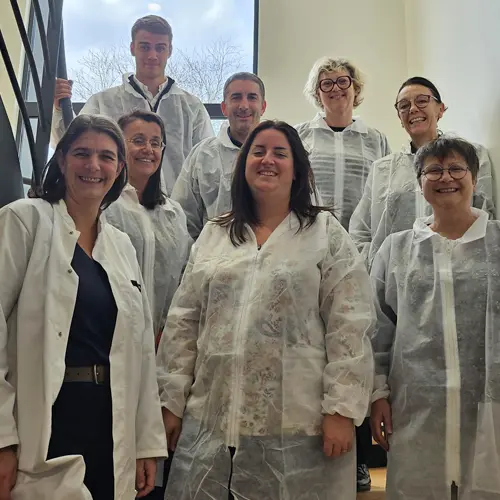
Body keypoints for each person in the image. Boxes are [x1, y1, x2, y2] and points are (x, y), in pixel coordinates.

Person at [157, 120, 376, 500]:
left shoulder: (324, 232)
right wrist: (171, 401)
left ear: (298, 169)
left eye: (280, 153)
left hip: (297, 427)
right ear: (243, 166)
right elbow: (184, 321)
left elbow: (350, 323)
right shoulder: (215, 233)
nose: (267, 160)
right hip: (211, 420)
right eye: (258, 152)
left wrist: (341, 409)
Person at [0, 114, 167, 499]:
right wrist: (3, 439)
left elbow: (141, 350)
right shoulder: (24, 222)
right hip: (47, 417)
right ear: (62, 160)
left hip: (110, 417)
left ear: (119, 169)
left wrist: (145, 442)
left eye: (106, 157)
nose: (93, 166)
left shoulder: (121, 246)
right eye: (81, 154)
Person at [370, 136, 500, 500]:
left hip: (489, 406)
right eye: (434, 170)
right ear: (419, 182)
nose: (446, 178)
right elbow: (377, 329)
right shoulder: (397, 249)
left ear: (474, 178)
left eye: (457, 168)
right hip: (417, 408)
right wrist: (378, 394)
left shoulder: (497, 242)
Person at [51, 15, 214, 193]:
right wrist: (59, 108)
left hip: (177, 206)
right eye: (145, 47)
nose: (152, 55)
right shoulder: (103, 102)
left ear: (170, 51)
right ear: (132, 48)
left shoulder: (191, 107)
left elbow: (206, 162)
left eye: (160, 48)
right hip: (114, 204)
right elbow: (71, 144)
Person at [349, 77, 495, 270]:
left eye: (422, 100)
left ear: (440, 109)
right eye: (404, 105)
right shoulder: (382, 169)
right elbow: (360, 229)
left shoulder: (472, 156)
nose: (413, 109)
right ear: (400, 118)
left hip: (459, 271)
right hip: (397, 277)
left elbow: (484, 216)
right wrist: (378, 267)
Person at [105, 109, 191, 340]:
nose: (148, 149)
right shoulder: (104, 205)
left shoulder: (173, 214)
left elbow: (184, 276)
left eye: (155, 143)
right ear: (119, 146)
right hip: (108, 335)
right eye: (138, 140)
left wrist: (168, 327)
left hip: (159, 338)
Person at [296, 56, 391, 231]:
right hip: (309, 236)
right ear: (317, 93)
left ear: (355, 88)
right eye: (327, 84)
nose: (336, 88)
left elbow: (385, 193)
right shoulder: (299, 135)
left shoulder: (377, 140)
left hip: (362, 239)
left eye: (342, 81)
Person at [171, 72, 267, 240]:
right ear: (224, 108)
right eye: (236, 97)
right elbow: (183, 218)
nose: (244, 105)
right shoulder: (202, 156)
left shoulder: (280, 155)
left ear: (263, 106)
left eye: (252, 97)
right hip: (213, 253)